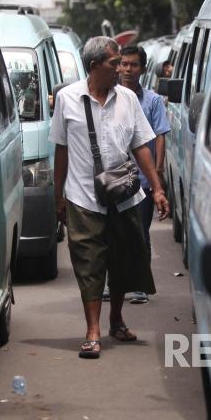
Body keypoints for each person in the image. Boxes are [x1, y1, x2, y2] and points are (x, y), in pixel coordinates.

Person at [50, 36, 169, 359]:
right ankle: (92, 331)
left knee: (120, 260)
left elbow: (141, 145)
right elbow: (60, 149)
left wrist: (157, 188)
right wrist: (58, 195)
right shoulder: (67, 99)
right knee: (88, 263)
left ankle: (116, 319)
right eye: (114, 63)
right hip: (82, 196)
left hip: (122, 195)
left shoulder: (128, 99)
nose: (121, 69)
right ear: (94, 66)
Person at [116, 45, 170, 304]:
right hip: (113, 179)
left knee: (140, 233)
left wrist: (157, 173)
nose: (127, 69)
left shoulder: (153, 101)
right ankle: (113, 283)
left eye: (133, 65)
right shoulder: (109, 97)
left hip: (144, 179)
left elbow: (160, 136)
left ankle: (139, 285)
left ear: (142, 69)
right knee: (113, 234)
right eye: (123, 64)